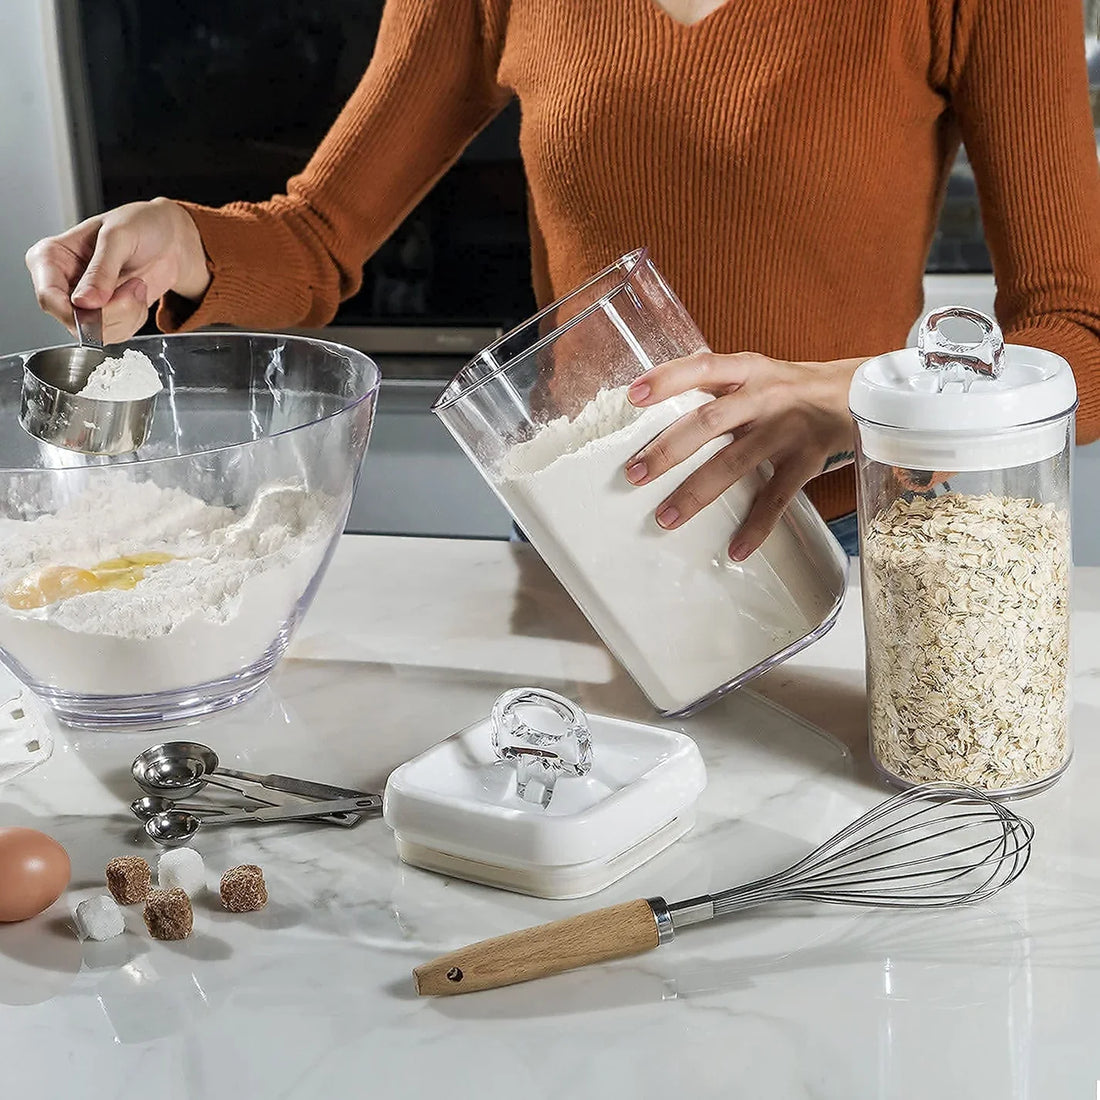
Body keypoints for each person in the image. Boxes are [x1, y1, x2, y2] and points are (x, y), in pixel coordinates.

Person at [25, 0, 1100, 559]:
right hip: (578, 541)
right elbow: (315, 236)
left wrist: (845, 394)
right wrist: (183, 239)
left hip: (850, 541)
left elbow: (1074, 333)